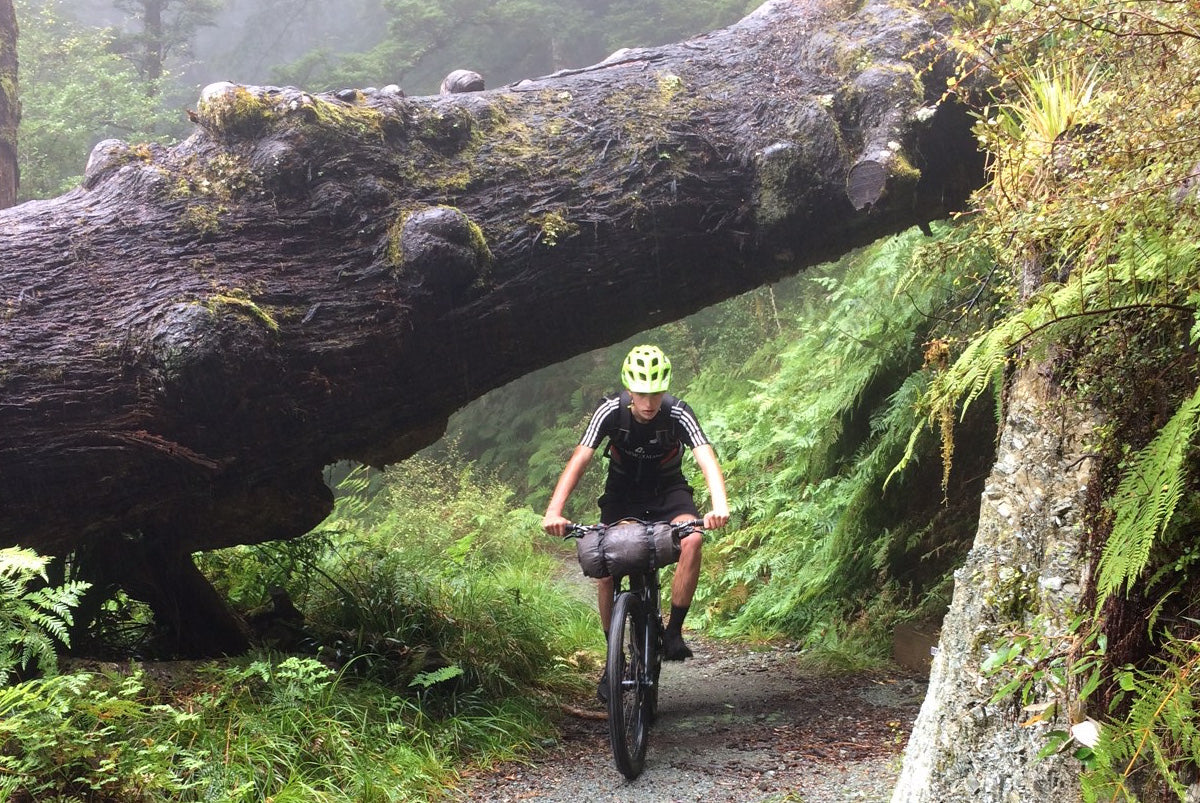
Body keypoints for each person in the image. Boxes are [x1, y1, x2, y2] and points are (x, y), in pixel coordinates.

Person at [542, 345, 730, 685]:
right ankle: (613, 659)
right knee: (605, 566)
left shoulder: (678, 414)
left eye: (656, 393)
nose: (648, 402)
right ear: (629, 389)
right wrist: (554, 511)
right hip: (622, 496)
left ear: (665, 388)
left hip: (669, 491)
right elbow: (580, 459)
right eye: (641, 393)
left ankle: (673, 631)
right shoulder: (610, 412)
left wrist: (719, 505)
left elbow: (706, 457)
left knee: (693, 540)